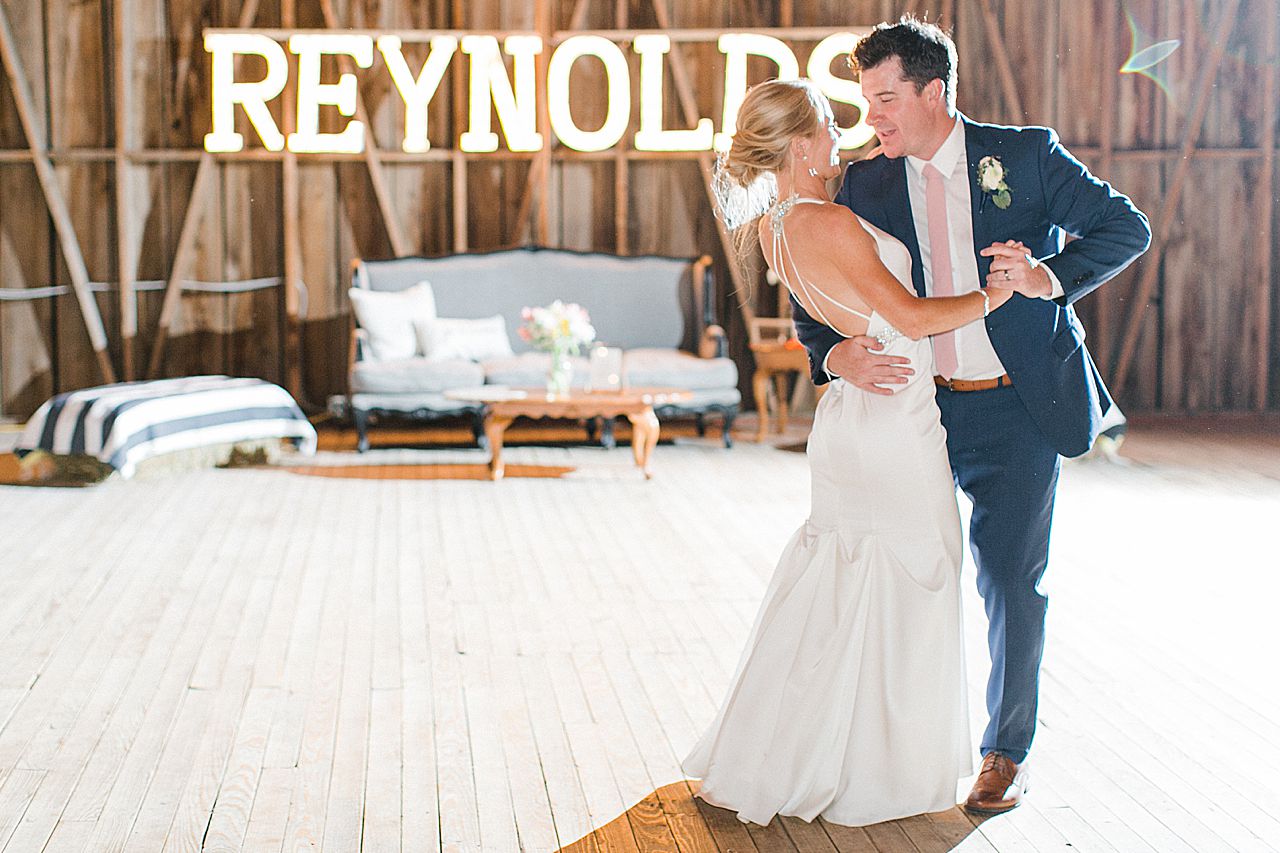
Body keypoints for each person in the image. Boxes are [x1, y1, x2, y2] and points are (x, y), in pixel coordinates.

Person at [792, 18, 1151, 813]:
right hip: (913, 413)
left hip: (1020, 408)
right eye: (865, 100)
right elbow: (809, 275)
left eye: (886, 99)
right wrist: (829, 350)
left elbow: (1127, 226)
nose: (872, 116)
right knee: (906, 578)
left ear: (934, 93)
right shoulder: (866, 182)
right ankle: (890, 747)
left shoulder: (1023, 156)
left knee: (1012, 584)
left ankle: (1004, 751)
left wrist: (1048, 276)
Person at [681, 77, 1015, 827]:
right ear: (800, 144)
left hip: (852, 420)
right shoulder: (826, 222)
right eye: (828, 124)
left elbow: (844, 312)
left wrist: (837, 357)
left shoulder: (776, 226)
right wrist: (1000, 294)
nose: (842, 133)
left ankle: (792, 753)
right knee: (917, 574)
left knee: (843, 583)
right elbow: (909, 315)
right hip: (895, 418)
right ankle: (881, 771)